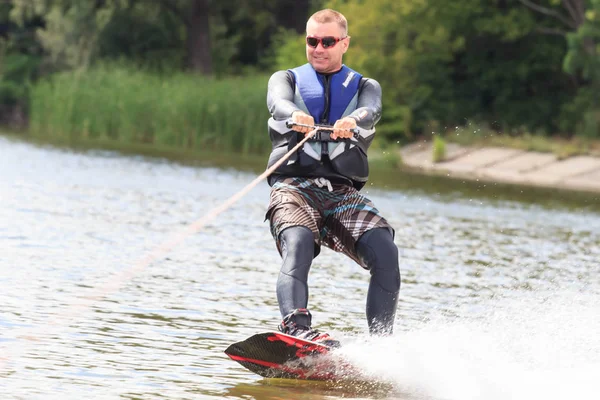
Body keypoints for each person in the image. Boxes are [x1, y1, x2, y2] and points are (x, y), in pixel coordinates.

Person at [265, 9, 400, 344]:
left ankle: (381, 346)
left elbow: (372, 109)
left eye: (327, 41)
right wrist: (296, 113)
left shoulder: (365, 86)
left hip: (341, 194)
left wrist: (353, 120)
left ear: (345, 44)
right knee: (297, 242)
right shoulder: (287, 80)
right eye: (312, 41)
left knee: (385, 251)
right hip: (294, 189)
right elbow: (277, 103)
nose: (318, 48)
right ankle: (296, 328)